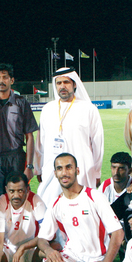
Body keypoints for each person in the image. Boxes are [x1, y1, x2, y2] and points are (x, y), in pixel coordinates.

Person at [36, 153, 124, 262]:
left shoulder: (94, 196)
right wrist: (48, 250)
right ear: (55, 173)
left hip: (97, 259)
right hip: (72, 257)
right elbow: (42, 239)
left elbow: (118, 234)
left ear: (77, 170)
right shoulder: (56, 203)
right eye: (60, 169)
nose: (64, 172)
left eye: (68, 167)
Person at [35, 67, 103, 206]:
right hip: (52, 169)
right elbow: (40, 143)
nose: (62, 86)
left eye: (66, 82)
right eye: (59, 83)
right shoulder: (48, 109)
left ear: (74, 84)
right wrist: (39, 168)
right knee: (50, 206)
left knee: (82, 207)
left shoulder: (89, 109)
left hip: (82, 169)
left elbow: (98, 143)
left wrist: (96, 172)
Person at [0, 63, 38, 201]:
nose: (1, 81)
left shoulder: (21, 103)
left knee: (18, 198)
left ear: (11, 80)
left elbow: (30, 136)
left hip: (16, 158)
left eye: (5, 77)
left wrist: (29, 166)